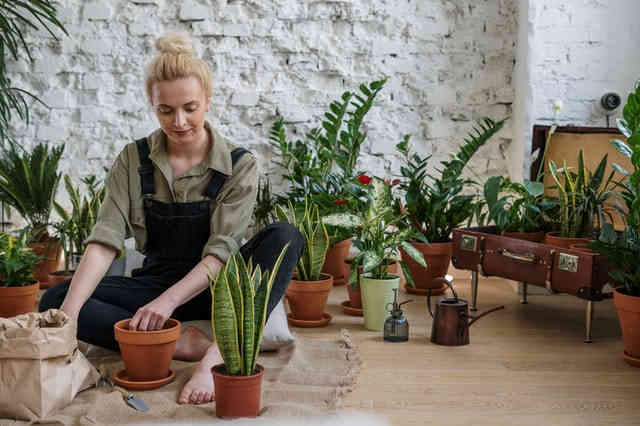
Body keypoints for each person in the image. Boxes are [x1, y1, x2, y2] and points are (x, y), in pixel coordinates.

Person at [39, 32, 303, 405]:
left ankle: (217, 356)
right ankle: (178, 342)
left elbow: (221, 254)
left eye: (190, 108)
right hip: (156, 283)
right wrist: (66, 323)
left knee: (285, 234)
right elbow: (104, 241)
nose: (179, 121)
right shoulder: (133, 159)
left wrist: (166, 304)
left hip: (220, 288)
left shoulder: (239, 165)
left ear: (208, 101)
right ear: (152, 104)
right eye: (166, 110)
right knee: (57, 298)